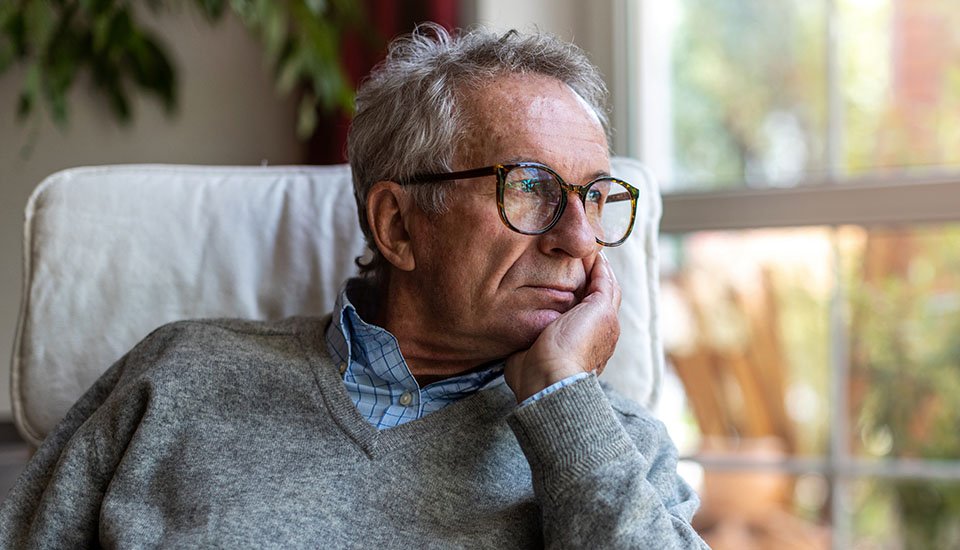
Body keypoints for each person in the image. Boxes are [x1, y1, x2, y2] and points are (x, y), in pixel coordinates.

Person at [0, 24, 708, 548]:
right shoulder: (176, 378)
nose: (579, 240)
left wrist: (561, 401)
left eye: (595, 199)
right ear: (398, 226)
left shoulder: (608, 443)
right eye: (530, 189)